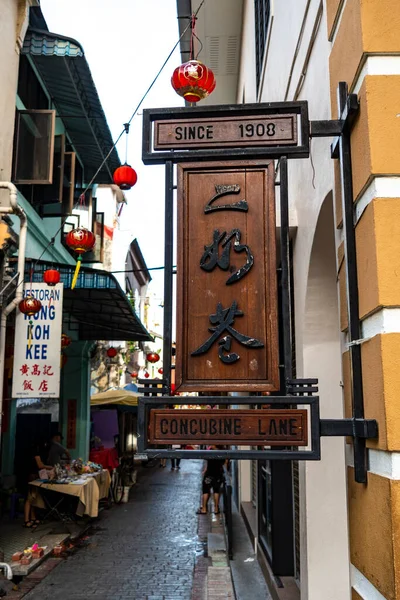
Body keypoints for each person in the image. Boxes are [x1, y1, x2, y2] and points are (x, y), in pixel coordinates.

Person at [23, 440, 52, 529]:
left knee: (34, 498)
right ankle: (26, 520)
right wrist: (50, 467)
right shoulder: (35, 452)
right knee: (29, 498)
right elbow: (40, 465)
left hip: (35, 475)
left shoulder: (35, 452)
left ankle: (33, 518)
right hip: (32, 476)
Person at [197, 445, 227, 515]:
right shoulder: (223, 451)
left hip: (209, 474)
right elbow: (225, 462)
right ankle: (216, 509)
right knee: (216, 490)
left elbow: (207, 460)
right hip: (218, 473)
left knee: (205, 490)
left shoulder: (210, 451)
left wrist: (206, 469)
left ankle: (204, 508)